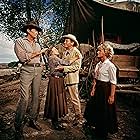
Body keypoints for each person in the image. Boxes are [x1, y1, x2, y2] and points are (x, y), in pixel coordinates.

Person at [14, 20, 47, 139]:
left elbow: (36, 58)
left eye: (38, 30)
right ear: (28, 30)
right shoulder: (19, 41)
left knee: (36, 97)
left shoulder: (37, 44)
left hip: (38, 70)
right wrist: (38, 53)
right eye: (35, 30)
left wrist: (40, 62)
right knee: (25, 98)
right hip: (26, 70)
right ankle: (18, 126)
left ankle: (32, 120)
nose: (37, 32)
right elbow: (23, 58)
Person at [84, 43, 118, 139]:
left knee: (104, 111)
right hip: (98, 88)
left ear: (106, 53)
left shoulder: (110, 66)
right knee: (95, 108)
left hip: (105, 89)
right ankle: (96, 128)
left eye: (100, 51)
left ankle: (103, 133)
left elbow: (113, 82)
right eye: (98, 50)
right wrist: (93, 89)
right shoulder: (98, 64)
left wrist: (111, 96)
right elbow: (95, 78)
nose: (97, 52)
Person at [43, 46, 79, 130]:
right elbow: (66, 63)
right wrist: (76, 57)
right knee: (55, 100)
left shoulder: (54, 57)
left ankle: (56, 119)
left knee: (56, 99)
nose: (57, 49)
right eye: (55, 49)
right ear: (51, 52)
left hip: (57, 80)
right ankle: (55, 122)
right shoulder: (53, 57)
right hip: (55, 80)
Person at [55, 34, 84, 126]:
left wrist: (63, 68)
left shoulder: (77, 53)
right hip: (65, 78)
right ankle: (64, 114)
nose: (64, 42)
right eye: (64, 41)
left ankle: (78, 117)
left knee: (74, 98)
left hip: (72, 79)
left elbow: (76, 67)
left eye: (67, 41)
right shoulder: (65, 52)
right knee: (63, 97)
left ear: (72, 43)